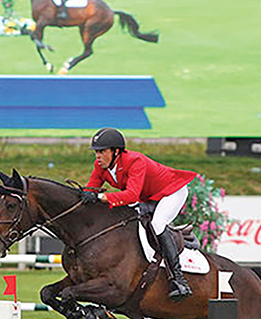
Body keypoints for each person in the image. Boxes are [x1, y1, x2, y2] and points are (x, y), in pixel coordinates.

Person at [82, 128, 196, 300]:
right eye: (96, 152)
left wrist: (100, 196)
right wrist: (85, 195)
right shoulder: (101, 166)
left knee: (157, 224)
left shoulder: (135, 161)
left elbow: (131, 195)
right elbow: (91, 189)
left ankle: (179, 280)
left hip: (171, 192)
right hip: (148, 196)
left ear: (116, 152)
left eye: (102, 151)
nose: (98, 156)